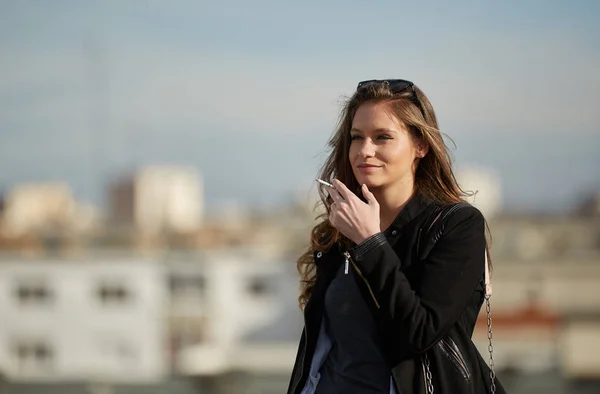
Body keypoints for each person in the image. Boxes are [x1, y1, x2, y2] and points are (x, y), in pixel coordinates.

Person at [286, 79, 506, 394]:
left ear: (421, 146)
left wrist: (371, 243)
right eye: (356, 137)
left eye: (383, 137)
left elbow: (419, 333)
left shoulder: (455, 226)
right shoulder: (340, 229)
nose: (364, 151)